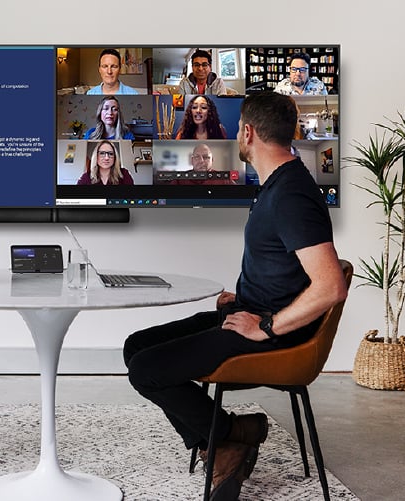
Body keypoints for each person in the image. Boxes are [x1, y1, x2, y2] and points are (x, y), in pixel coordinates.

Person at [123, 92, 347, 500]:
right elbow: (284, 266)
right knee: (136, 346)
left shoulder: (292, 194)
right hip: (250, 312)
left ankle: (229, 438)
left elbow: (331, 285)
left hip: (274, 331)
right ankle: (221, 440)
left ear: (247, 132)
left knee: (146, 370)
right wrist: (242, 297)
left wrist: (264, 327)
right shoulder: (276, 185)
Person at [166, 143, 236, 185]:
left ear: (212, 160)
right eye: (197, 157)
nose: (201, 161)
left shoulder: (225, 179)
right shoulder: (179, 180)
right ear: (192, 160)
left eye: (206, 157)